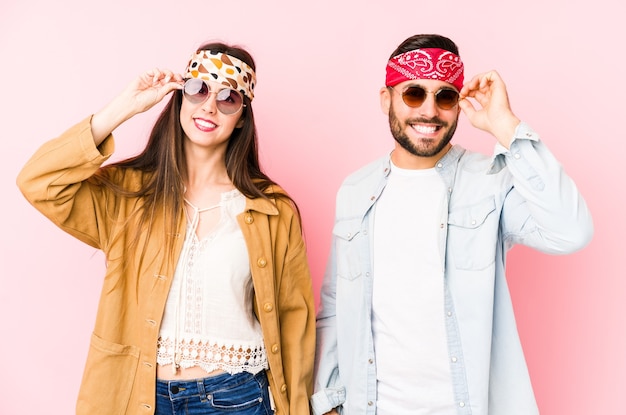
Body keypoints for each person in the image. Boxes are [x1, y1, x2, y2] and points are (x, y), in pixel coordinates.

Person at [17, 41, 315, 415]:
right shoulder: (128, 195)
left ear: (242, 116)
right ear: (179, 98)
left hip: (237, 397)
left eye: (228, 98)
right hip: (138, 396)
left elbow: (294, 320)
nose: (209, 106)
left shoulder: (271, 208)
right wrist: (122, 109)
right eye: (198, 89)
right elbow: (38, 182)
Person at [310, 34, 593, 415]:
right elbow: (334, 305)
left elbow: (571, 230)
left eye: (445, 97)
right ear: (386, 99)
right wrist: (328, 400)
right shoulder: (356, 191)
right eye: (414, 94)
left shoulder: (490, 181)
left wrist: (504, 125)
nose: (429, 111)